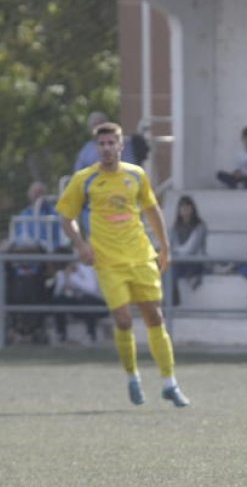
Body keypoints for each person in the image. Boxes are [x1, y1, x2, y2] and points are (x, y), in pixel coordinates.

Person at [56, 121, 189, 408]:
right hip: (107, 261)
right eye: (101, 144)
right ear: (97, 147)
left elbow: (152, 210)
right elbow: (67, 216)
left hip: (141, 255)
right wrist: (80, 244)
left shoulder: (136, 175)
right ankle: (133, 377)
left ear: (120, 146)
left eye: (111, 143)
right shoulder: (84, 179)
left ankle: (170, 383)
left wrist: (164, 246)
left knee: (155, 317)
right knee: (124, 320)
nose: (106, 148)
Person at [50, 253, 107, 343]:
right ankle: (61, 334)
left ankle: (91, 335)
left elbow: (91, 289)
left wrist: (73, 279)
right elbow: (56, 294)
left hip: (97, 304)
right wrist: (64, 277)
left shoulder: (88, 268)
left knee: (87, 299)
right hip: (78, 305)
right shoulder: (63, 272)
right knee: (59, 300)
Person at [170, 195, 208, 307]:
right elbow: (172, 245)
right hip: (179, 261)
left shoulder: (200, 226)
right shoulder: (175, 227)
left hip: (194, 261)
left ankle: (171, 302)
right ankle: (172, 300)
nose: (185, 210)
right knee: (166, 269)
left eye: (187, 207)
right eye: (182, 208)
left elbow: (191, 249)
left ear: (192, 209)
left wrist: (175, 253)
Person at [10, 181, 63, 252]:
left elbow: (58, 239)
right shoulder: (25, 213)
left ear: (45, 194)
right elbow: (17, 235)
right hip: (22, 246)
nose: (36, 195)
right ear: (29, 194)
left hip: (43, 248)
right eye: (34, 192)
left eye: (40, 192)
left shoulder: (53, 213)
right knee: (5, 245)